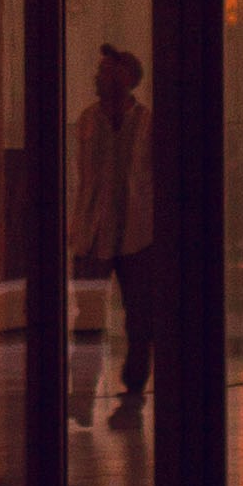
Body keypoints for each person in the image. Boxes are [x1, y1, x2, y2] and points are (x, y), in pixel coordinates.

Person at [68, 43, 158, 430]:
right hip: (94, 231)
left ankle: (132, 392)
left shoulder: (148, 122)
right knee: (87, 317)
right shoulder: (88, 120)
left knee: (139, 318)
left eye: (107, 71)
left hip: (138, 232)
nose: (98, 77)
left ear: (126, 78)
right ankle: (83, 393)